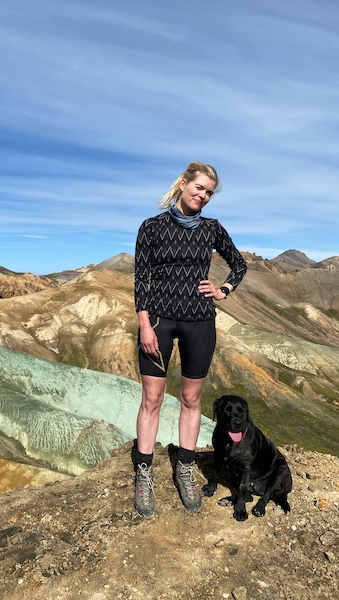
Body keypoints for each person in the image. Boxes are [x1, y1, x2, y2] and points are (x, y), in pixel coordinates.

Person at [133, 161, 247, 519]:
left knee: (191, 398)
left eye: (209, 192)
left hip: (200, 321)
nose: (204, 196)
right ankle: (144, 473)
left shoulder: (212, 229)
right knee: (151, 398)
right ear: (183, 184)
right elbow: (141, 280)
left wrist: (222, 289)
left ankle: (185, 468)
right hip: (159, 322)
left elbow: (240, 264)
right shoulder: (152, 227)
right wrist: (145, 325)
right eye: (199, 188)